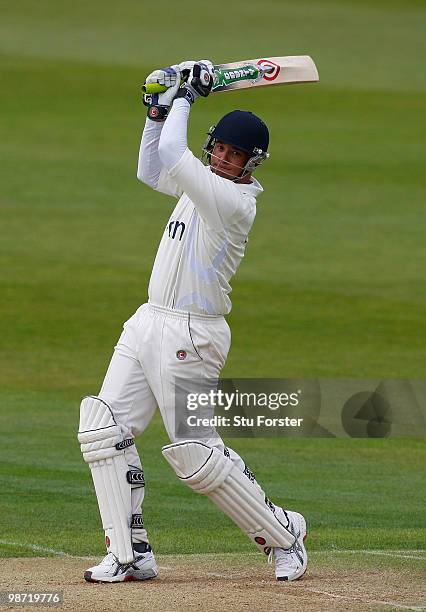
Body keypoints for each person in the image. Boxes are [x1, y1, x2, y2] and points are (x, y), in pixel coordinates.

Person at [77, 60, 307, 584]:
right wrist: (159, 113)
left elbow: (174, 157)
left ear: (252, 164)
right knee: (102, 429)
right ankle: (128, 555)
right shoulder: (199, 182)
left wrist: (186, 97)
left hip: (192, 334)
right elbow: (152, 167)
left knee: (195, 456)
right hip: (148, 321)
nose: (223, 159)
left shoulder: (231, 201)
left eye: (234, 154)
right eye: (219, 149)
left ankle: (284, 534)